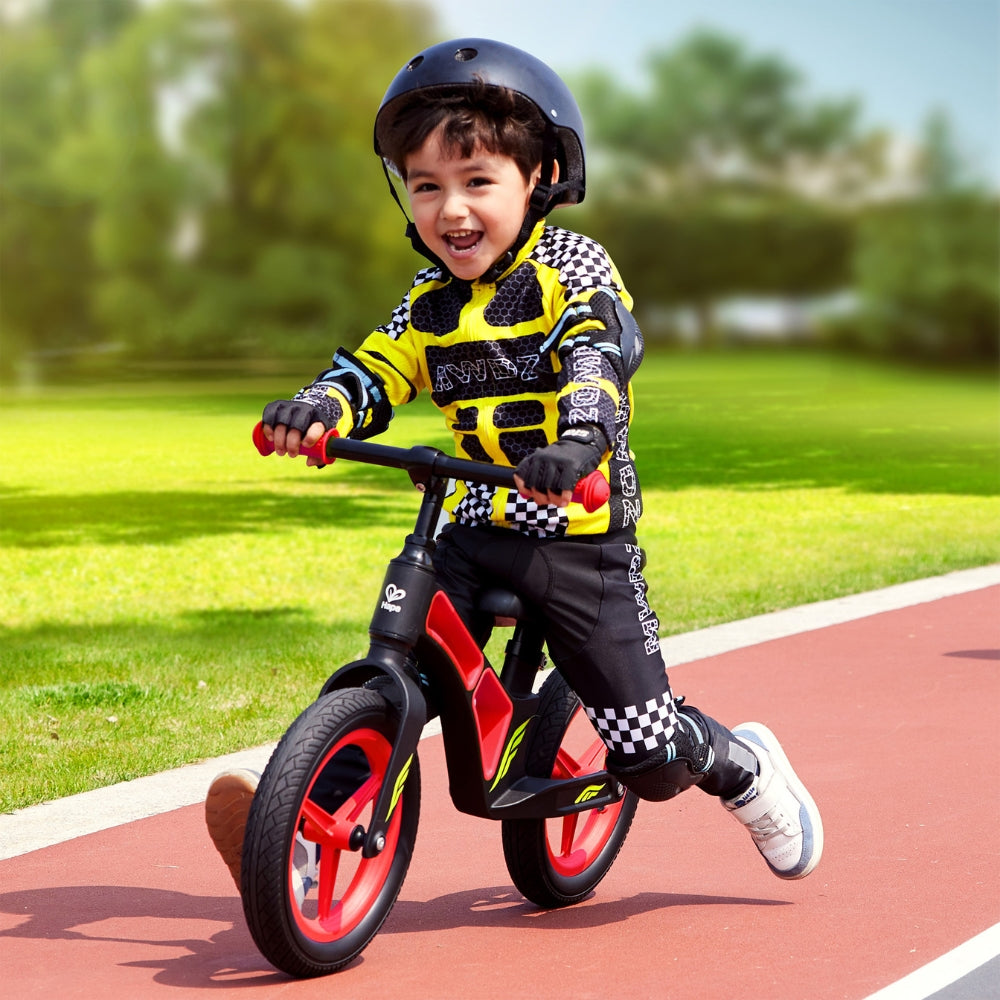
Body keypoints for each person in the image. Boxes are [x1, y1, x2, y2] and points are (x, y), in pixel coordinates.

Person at [206, 37, 823, 892]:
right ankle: (302, 834)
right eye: (427, 186)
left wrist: (577, 444)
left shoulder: (570, 267)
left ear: (538, 181)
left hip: (579, 534)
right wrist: (317, 409)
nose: (450, 210)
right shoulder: (431, 299)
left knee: (644, 753)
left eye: (476, 182)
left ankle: (740, 765)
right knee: (404, 659)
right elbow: (379, 367)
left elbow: (598, 357)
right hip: (476, 523)